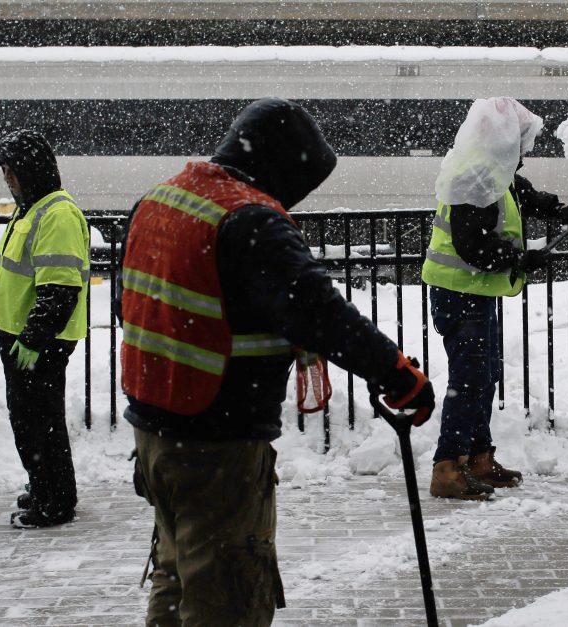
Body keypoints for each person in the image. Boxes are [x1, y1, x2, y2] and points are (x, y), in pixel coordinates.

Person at [116, 97, 435, 626]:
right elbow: (318, 312)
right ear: (281, 166)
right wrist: (395, 374)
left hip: (156, 436)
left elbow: (130, 303)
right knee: (229, 598)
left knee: (176, 578)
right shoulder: (248, 221)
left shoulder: (161, 200)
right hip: (218, 443)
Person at [421, 96, 568, 500]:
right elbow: (471, 245)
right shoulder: (474, 175)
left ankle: (477, 458)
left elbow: (521, 195)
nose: (524, 153)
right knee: (470, 378)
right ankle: (447, 467)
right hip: (459, 291)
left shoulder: (493, 170)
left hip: (476, 291)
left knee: (485, 373)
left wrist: (559, 211)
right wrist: (519, 259)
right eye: (520, 142)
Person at [0, 129, 90, 529]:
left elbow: (60, 286)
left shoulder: (56, 214)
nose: (6, 179)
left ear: (32, 170)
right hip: (24, 337)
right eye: (4, 171)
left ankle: (56, 501)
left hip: (37, 341)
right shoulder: (32, 209)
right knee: (30, 420)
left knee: (39, 422)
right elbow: (9, 270)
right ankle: (45, 486)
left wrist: (33, 338)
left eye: (11, 171)